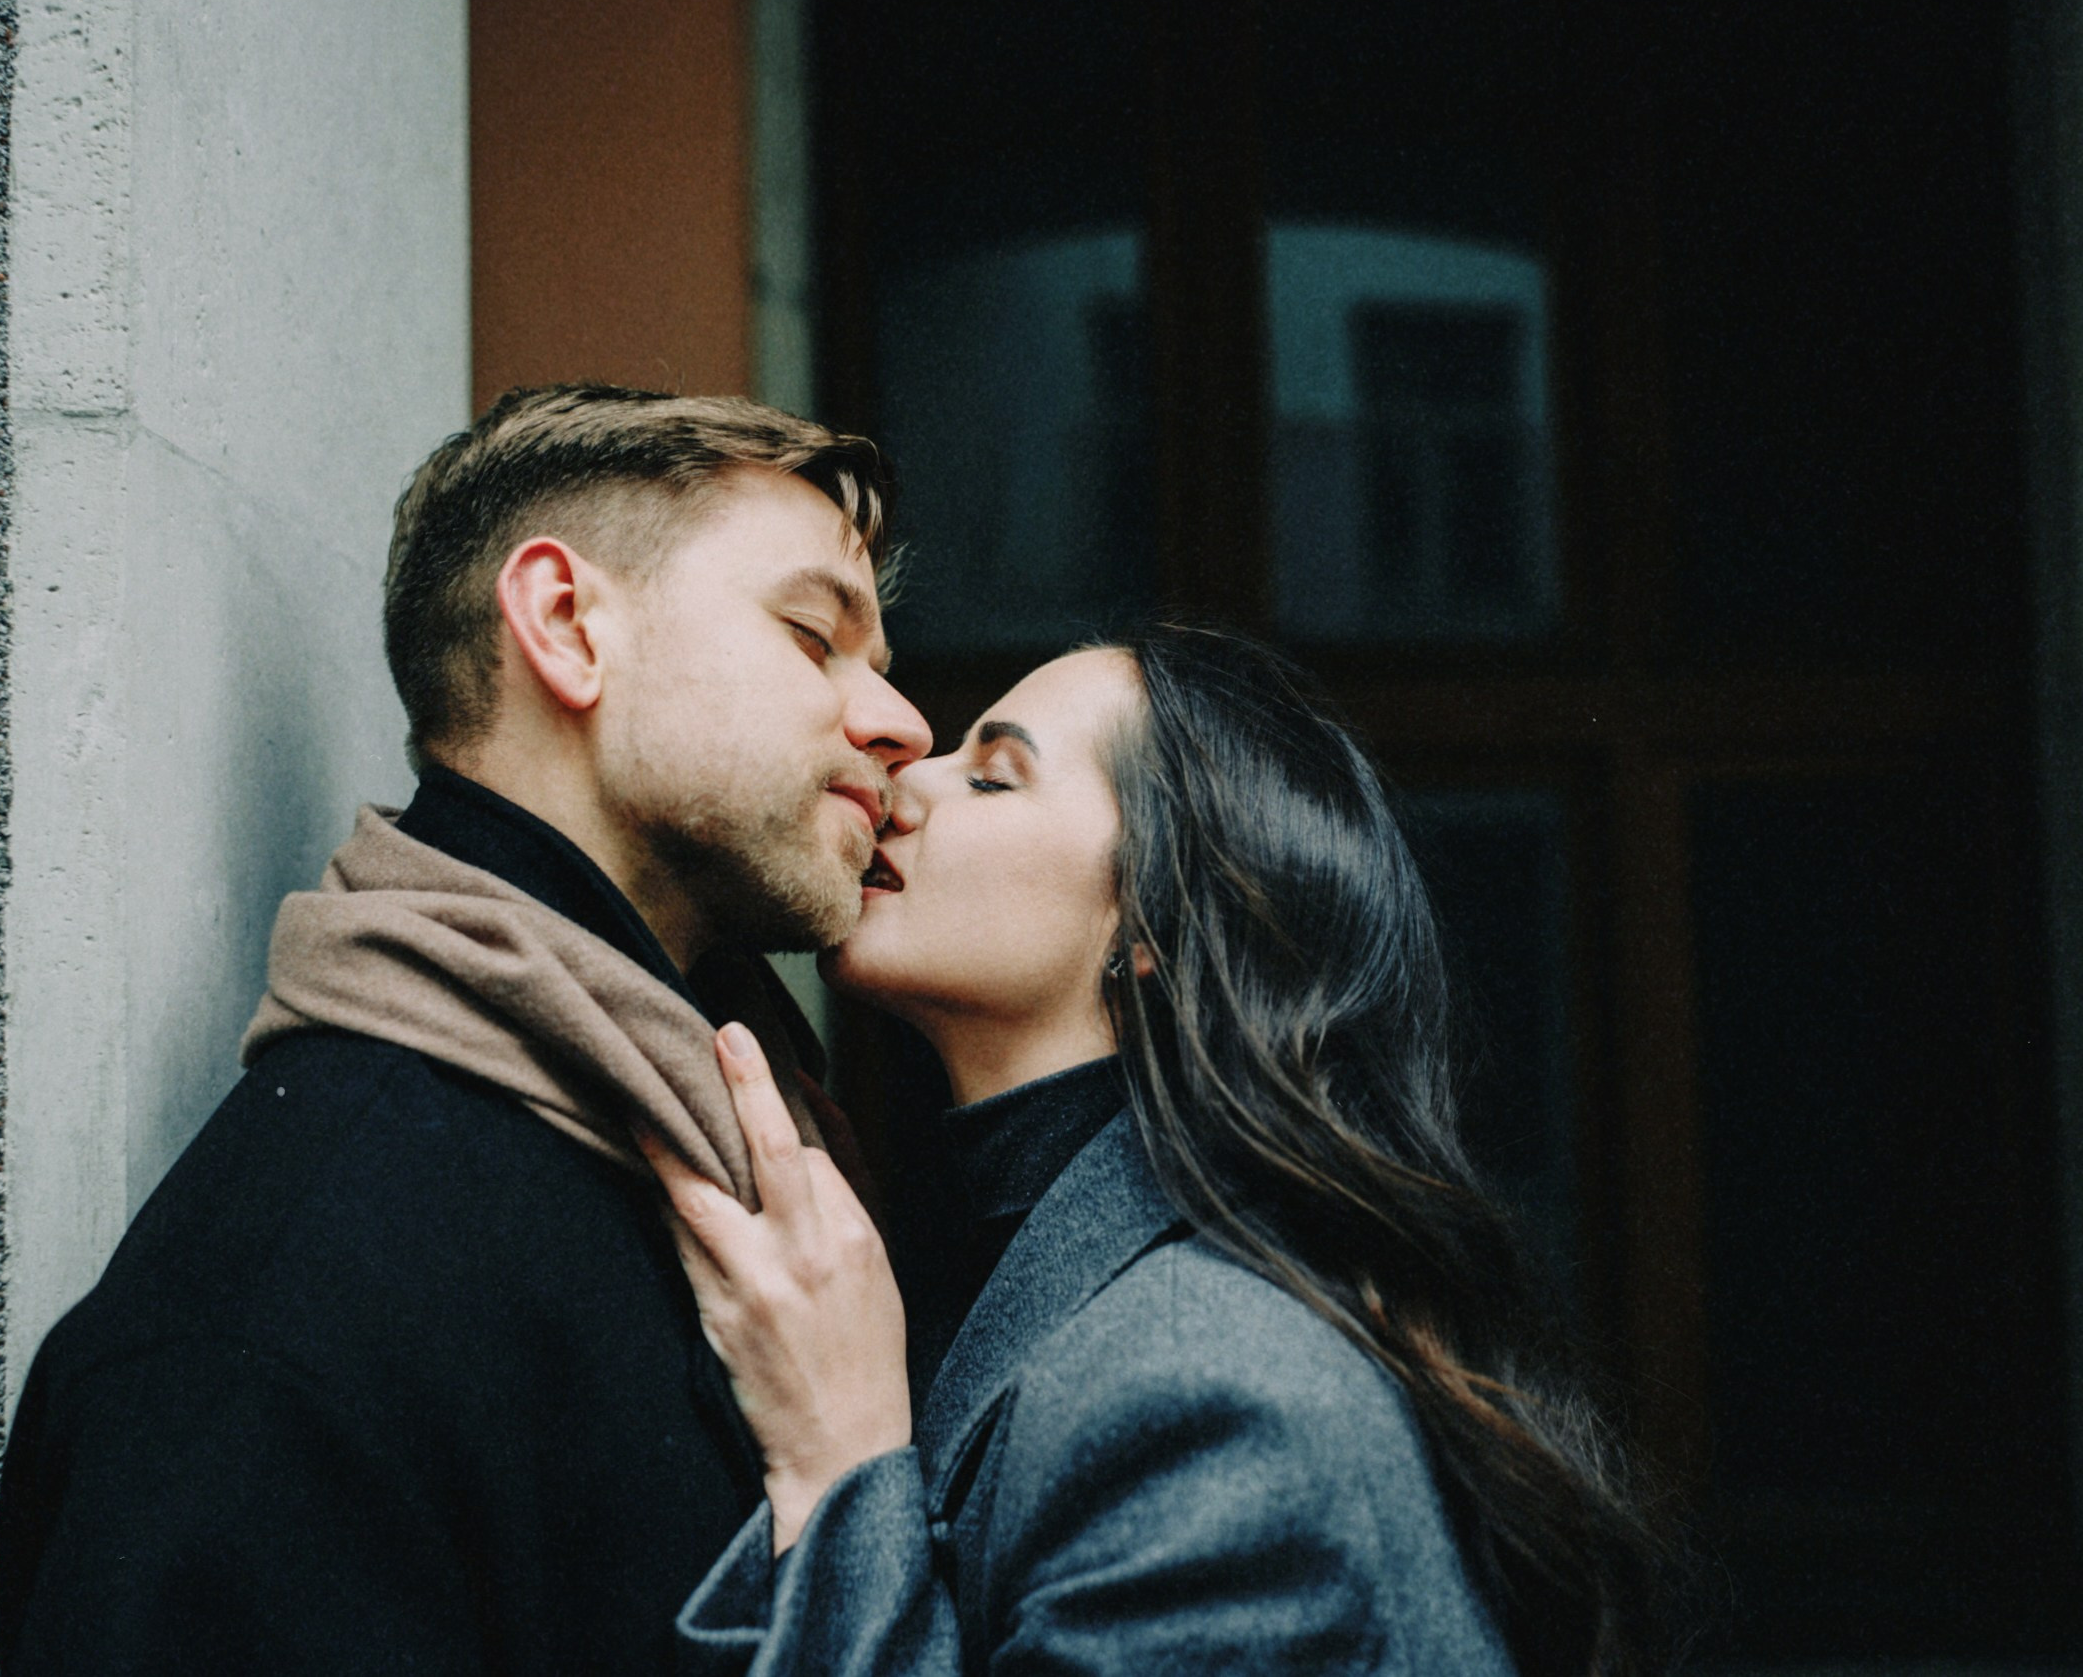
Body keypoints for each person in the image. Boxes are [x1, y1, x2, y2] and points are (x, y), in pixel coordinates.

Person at [0, 384, 932, 1674]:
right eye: (812, 636)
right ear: (563, 625)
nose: (902, 724)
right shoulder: (280, 1307)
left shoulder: (732, 1155)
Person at [647, 628, 1670, 1676]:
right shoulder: (1040, 1278)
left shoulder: (1212, 1389)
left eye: (995, 777)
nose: (906, 779)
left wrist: (842, 1466)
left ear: (1152, 920)